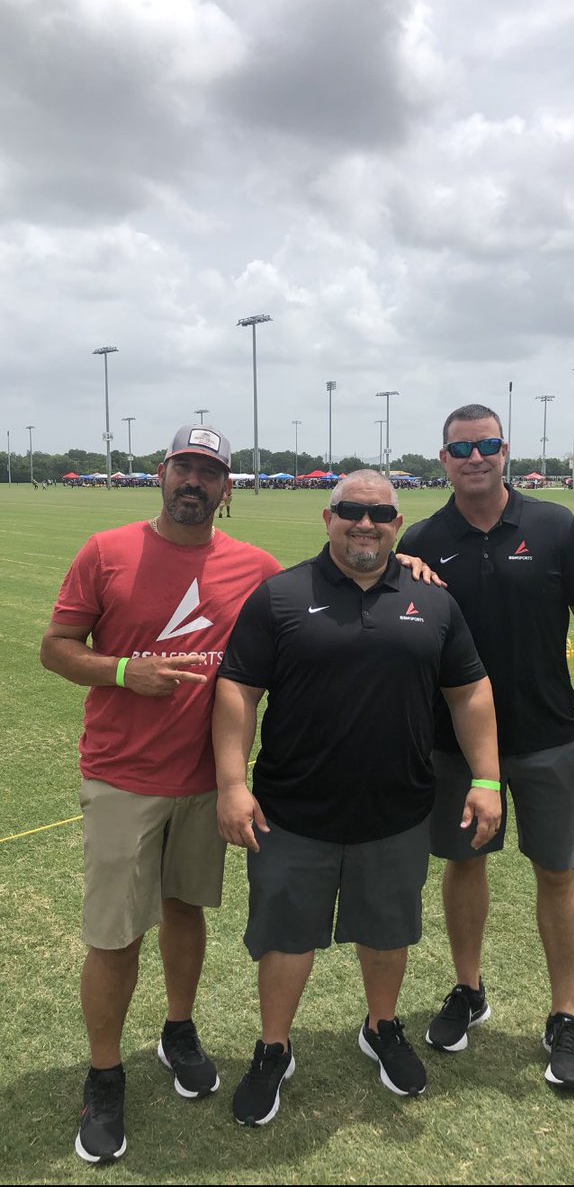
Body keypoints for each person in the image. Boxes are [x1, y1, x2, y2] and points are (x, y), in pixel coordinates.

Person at [212, 469, 501, 1128]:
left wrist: (486, 779)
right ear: (327, 518)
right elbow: (238, 691)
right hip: (293, 813)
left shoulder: (434, 601)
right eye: (349, 511)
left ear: (398, 525)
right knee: (287, 937)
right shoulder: (281, 595)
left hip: (397, 813)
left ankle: (381, 1027)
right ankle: (273, 1047)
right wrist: (231, 784)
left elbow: (469, 692)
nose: (363, 524)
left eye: (378, 514)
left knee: (386, 931)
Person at [39, 424, 283, 1164]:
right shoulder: (107, 552)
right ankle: (104, 1075)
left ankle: (178, 1030)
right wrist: (124, 672)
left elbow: (324, 594)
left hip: (206, 781)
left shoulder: (255, 567)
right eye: (184, 467)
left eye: (209, 472)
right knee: (115, 934)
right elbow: (56, 649)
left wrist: (404, 561)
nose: (194, 482)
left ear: (226, 488)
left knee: (185, 910)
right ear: (161, 473)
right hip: (122, 777)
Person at [396, 403, 574, 1092]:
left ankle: (564, 1016)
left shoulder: (554, 525)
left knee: (557, 872)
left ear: (504, 450)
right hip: (456, 747)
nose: (475, 457)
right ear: (443, 459)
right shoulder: (423, 538)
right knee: (464, 864)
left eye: (486, 445)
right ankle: (469, 991)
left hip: (547, 736)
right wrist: (400, 564)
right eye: (461, 448)